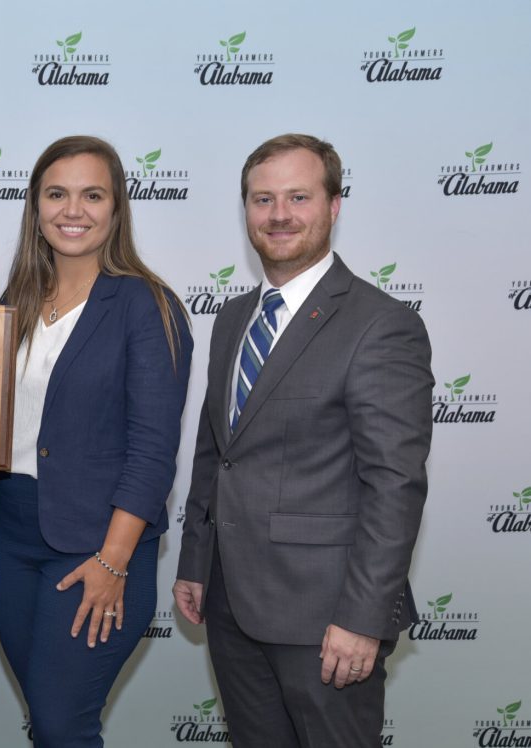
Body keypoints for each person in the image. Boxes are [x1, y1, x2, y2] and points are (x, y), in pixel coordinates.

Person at [173, 133, 433, 747]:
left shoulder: (381, 324)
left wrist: (362, 619)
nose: (279, 214)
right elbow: (218, 453)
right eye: (262, 199)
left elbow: (394, 486)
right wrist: (193, 560)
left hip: (327, 619)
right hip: (232, 605)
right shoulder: (233, 318)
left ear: (334, 206)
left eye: (298, 197)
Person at [0, 135, 192, 747]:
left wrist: (113, 562)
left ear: (117, 209)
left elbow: (152, 453)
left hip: (96, 549)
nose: (73, 210)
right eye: (56, 194)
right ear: (36, 207)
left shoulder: (149, 306)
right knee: (47, 723)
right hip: (11, 540)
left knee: (65, 725)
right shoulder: (16, 303)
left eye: (92, 195)